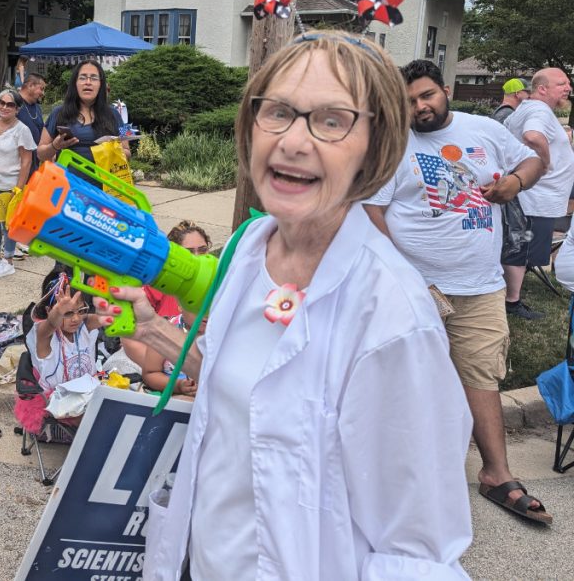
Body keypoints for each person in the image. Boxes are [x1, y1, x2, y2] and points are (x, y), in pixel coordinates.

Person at [105, 33, 473, 578]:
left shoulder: (393, 317)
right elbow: (250, 390)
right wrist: (159, 333)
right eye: (277, 111)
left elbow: (415, 551)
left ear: (376, 146)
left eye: (331, 120)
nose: (293, 141)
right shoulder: (249, 249)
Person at [366, 58, 550, 527]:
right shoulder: (392, 144)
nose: (419, 107)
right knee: (407, 385)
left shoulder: (484, 129)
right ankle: (407, 484)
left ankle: (497, 474)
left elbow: (533, 160)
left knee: (482, 376)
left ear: (445, 89)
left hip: (481, 286)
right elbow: (373, 211)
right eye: (408, 102)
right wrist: (401, 276)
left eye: (426, 95)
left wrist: (515, 182)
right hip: (416, 288)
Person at [502, 67, 574, 319]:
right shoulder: (538, 109)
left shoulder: (530, 108)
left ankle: (511, 297)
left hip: (533, 196)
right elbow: (532, 136)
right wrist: (545, 162)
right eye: (562, 83)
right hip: (534, 198)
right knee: (520, 248)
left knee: (520, 247)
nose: (568, 87)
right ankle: (512, 302)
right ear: (542, 88)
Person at [126, 221, 212, 374]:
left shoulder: (217, 280)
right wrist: (163, 371)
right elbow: (129, 339)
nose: (197, 257)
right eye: (189, 252)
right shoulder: (155, 284)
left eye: (203, 250)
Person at [0, 89, 36, 278]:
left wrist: (18, 188)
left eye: (10, 104)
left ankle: (8, 260)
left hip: (9, 184)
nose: (4, 107)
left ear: (17, 109)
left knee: (8, 224)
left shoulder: (22, 130)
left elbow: (26, 161)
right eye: (1, 103)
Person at [37, 60, 129, 171]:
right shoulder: (58, 113)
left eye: (94, 78)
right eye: (83, 77)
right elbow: (40, 154)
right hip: (68, 186)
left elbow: (127, 151)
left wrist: (114, 150)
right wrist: (54, 146)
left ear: (101, 84)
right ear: (75, 83)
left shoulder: (115, 115)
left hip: (103, 186)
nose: (88, 82)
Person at [27, 271, 107, 394]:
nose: (76, 319)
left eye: (80, 311)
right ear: (49, 310)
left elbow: (108, 317)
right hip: (57, 402)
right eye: (68, 313)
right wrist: (58, 312)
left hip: (89, 392)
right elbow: (52, 323)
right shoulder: (44, 334)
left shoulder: (85, 324)